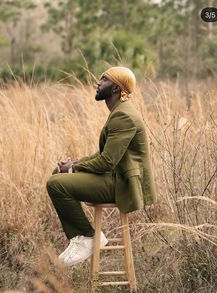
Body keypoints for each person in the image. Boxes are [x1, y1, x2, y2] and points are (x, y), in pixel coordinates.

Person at [46, 66, 156, 267]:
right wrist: (73, 164)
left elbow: (107, 162)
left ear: (115, 88)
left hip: (123, 184)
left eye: (103, 80)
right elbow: (104, 155)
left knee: (56, 184)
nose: (98, 83)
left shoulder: (124, 116)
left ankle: (87, 238)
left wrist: (72, 169)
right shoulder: (119, 112)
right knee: (57, 175)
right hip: (115, 178)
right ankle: (80, 238)